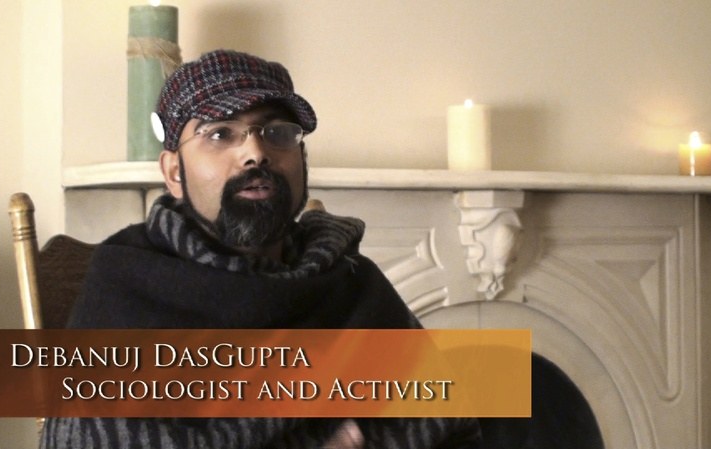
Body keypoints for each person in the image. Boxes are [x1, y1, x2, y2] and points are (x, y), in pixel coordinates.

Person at [39, 50, 481, 448]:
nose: (255, 152)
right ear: (174, 171)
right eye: (219, 134)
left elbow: (451, 428)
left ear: (302, 158)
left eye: (277, 132)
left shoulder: (349, 281)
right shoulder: (125, 290)